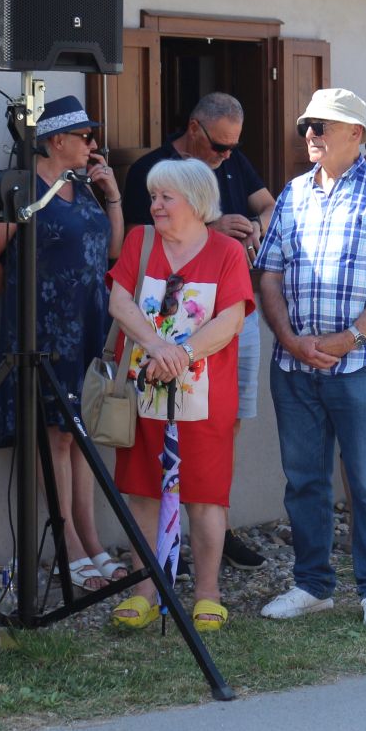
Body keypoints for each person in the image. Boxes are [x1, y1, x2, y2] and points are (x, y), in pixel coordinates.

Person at [253, 88, 366, 630]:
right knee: (304, 481)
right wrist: (289, 338)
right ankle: (313, 586)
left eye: (322, 126)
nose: (311, 135)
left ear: (356, 134)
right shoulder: (293, 193)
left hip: (361, 364)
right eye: (307, 126)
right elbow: (269, 274)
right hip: (295, 365)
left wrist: (350, 338)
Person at [0, 96, 125, 592]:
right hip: (47, 332)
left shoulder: (83, 186)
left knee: (81, 432)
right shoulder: (22, 189)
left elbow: (112, 252)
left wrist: (112, 196)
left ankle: (91, 539)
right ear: (56, 141)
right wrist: (28, 303)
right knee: (54, 434)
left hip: (89, 326)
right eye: (85, 136)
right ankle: (68, 545)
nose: (93, 144)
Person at [121, 92, 274, 570]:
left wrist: (252, 226)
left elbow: (270, 208)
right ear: (194, 128)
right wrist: (158, 347)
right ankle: (162, 559)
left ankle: (210, 539)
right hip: (151, 362)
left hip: (216, 345)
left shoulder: (232, 167)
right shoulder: (150, 177)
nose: (227, 155)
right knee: (147, 469)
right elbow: (124, 281)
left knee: (219, 438)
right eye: (220, 145)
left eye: (233, 146)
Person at [105, 159, 252, 632]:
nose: (156, 205)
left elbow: (231, 319)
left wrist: (182, 354)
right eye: (154, 196)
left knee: (206, 495)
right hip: (144, 388)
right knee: (144, 489)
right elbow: (119, 301)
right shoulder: (140, 241)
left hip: (206, 395)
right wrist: (156, 347)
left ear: (196, 201)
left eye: (166, 197)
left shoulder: (227, 251)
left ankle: (207, 594)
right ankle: (144, 591)